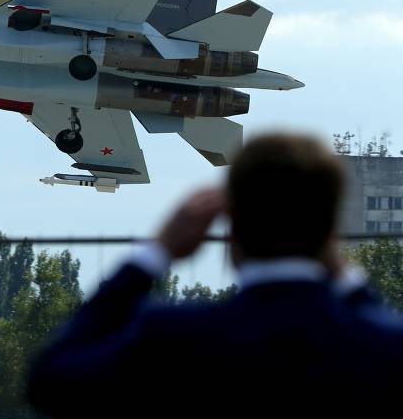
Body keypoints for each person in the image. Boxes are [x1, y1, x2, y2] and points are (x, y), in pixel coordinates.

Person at [26, 133, 403, 415]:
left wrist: (152, 256)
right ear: (330, 234)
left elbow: (50, 382)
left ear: (232, 227)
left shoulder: (170, 337)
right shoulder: (385, 347)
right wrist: (350, 280)